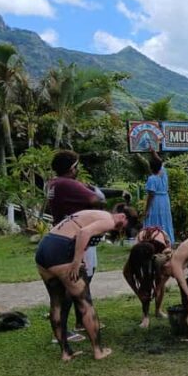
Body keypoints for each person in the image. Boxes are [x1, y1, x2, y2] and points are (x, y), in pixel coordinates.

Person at [35, 210, 127, 360]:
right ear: (122, 216)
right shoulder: (109, 220)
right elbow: (83, 233)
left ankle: (66, 353)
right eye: (121, 227)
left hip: (44, 247)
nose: (118, 229)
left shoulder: (91, 214)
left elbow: (78, 235)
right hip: (61, 250)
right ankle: (98, 351)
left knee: (56, 303)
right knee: (85, 303)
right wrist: (76, 262)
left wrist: (80, 257)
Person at [47, 150, 105, 342]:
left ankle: (82, 320)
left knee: (83, 280)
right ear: (72, 168)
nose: (78, 170)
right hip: (75, 239)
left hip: (66, 236)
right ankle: (62, 332)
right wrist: (96, 191)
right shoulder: (66, 184)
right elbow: (97, 200)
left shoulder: (54, 183)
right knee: (72, 284)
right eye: (76, 166)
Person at [122, 227, 172, 328]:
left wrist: (158, 287)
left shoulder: (162, 251)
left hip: (159, 250)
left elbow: (168, 273)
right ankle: (145, 317)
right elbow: (127, 274)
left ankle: (158, 310)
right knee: (146, 281)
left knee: (159, 278)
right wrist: (138, 292)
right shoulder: (136, 253)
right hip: (143, 249)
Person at [143, 147, 175, 245]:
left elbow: (151, 195)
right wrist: (153, 152)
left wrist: (147, 210)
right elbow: (160, 162)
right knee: (165, 220)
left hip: (156, 201)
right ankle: (167, 240)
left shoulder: (152, 179)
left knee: (154, 219)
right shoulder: (163, 173)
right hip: (165, 200)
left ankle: (154, 240)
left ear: (150, 168)